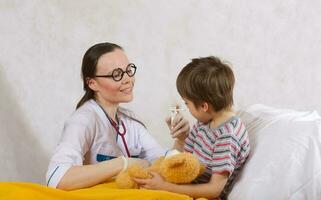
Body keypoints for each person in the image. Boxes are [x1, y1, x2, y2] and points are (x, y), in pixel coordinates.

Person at [45, 42, 189, 190]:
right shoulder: (83, 120)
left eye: (128, 70)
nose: (127, 79)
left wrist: (181, 140)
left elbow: (163, 163)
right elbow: (57, 178)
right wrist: (123, 164)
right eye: (117, 74)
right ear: (92, 83)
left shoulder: (130, 120)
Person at [135, 56, 250, 200]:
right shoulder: (205, 122)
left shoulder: (227, 136)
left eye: (187, 103)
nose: (186, 108)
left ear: (204, 106)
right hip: (184, 184)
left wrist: (164, 187)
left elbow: (215, 189)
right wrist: (181, 139)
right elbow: (181, 158)